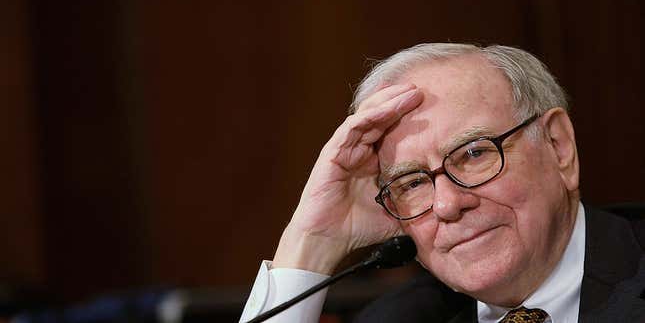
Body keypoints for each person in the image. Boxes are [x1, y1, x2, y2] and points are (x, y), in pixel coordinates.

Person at [239, 43, 645, 322]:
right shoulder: (397, 319)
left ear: (558, 147)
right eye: (412, 182)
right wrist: (311, 244)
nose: (448, 205)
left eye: (473, 154)